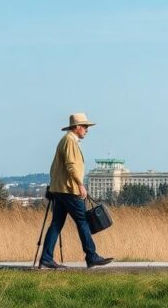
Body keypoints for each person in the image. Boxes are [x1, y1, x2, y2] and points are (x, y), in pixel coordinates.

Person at [39, 112, 113, 269]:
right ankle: (91, 256)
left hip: (60, 189)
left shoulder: (66, 141)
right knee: (83, 221)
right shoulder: (70, 141)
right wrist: (80, 184)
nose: (87, 130)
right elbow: (71, 166)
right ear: (77, 127)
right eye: (85, 127)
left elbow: (57, 167)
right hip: (69, 189)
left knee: (57, 223)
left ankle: (46, 257)